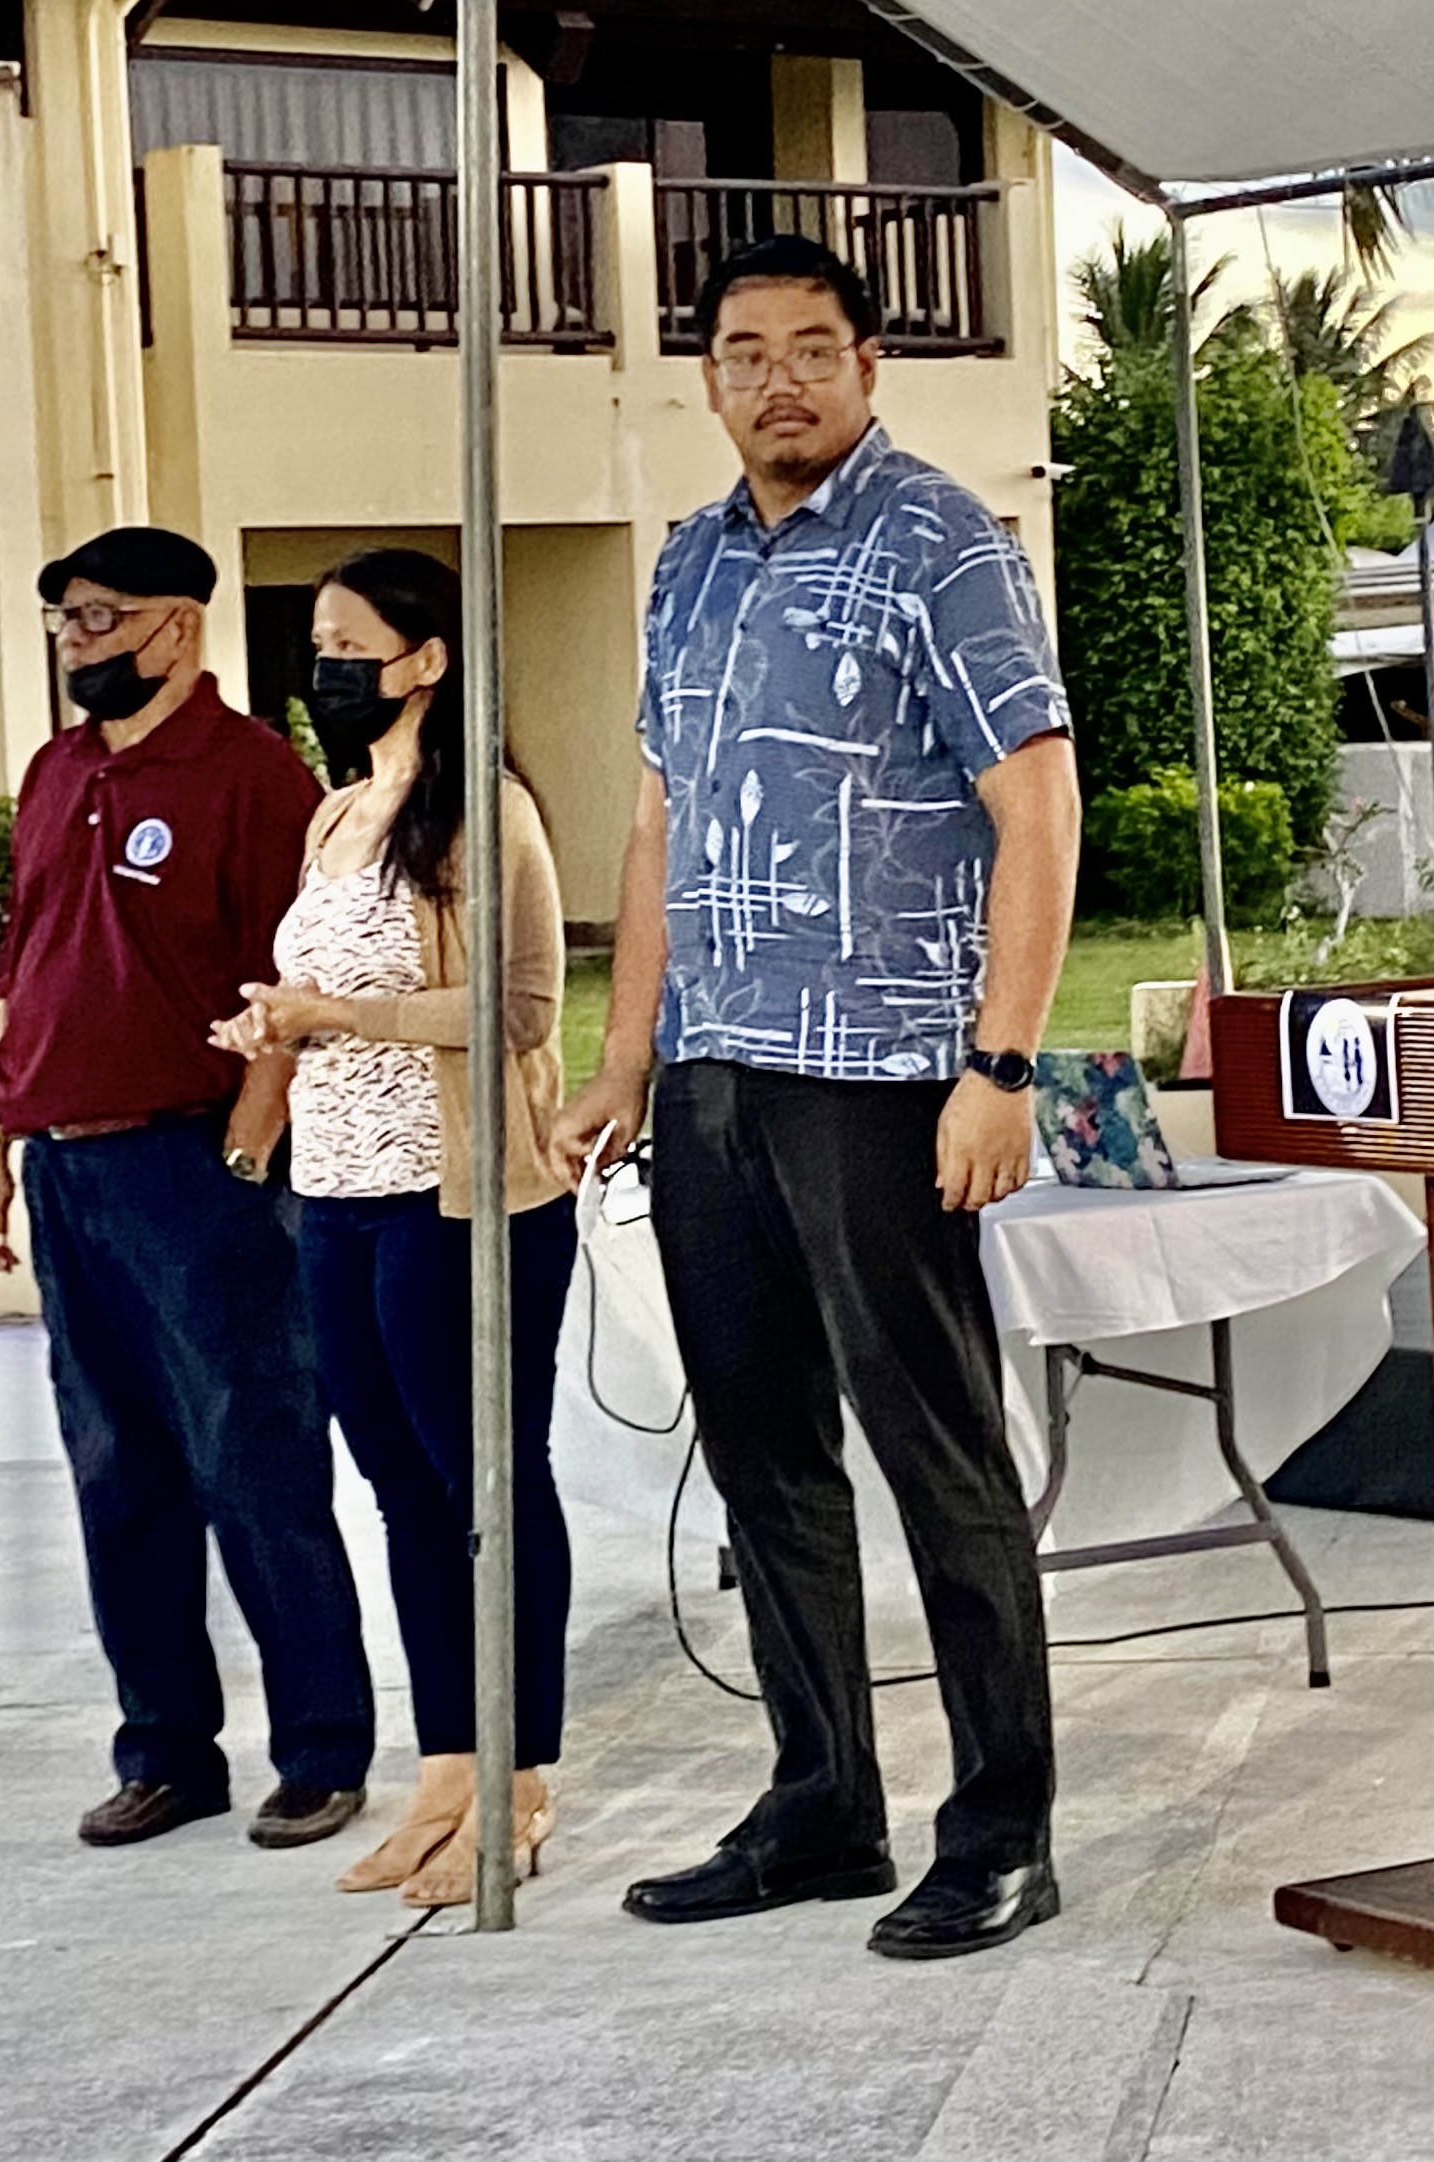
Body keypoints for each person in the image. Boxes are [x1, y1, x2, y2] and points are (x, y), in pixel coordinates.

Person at [549, 236, 1082, 1961]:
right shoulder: (690, 565)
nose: (779, 378)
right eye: (745, 351)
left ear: (868, 370)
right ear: (706, 379)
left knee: (937, 1451)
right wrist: (624, 1054)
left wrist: (999, 1062)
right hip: (712, 1070)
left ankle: (1001, 1826)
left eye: (812, 349)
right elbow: (655, 821)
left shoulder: (942, 543)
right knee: (765, 1451)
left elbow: (1038, 803)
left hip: (884, 1072)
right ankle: (820, 1803)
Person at [0, 526, 377, 1851]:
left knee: (252, 1460)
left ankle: (318, 1744)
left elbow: (288, 991)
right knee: (114, 1470)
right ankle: (165, 1747)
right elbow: (19, 968)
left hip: (196, 1163)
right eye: (65, 621)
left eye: (100, 617)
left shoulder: (250, 773)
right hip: (68, 1166)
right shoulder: (53, 770)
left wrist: (249, 1153)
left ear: (179, 626)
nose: (78, 642)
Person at [213, 548, 574, 1910]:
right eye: (317, 641)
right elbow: (319, 986)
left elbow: (521, 1009)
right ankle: (447, 1764)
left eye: (347, 641)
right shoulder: (333, 814)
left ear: (424, 659)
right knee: (401, 1494)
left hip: (459, 1193)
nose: (326, 666)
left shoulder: (485, 810)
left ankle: (521, 1772)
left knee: (488, 1481)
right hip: (341, 1194)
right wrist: (273, 1020)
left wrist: (342, 1017)